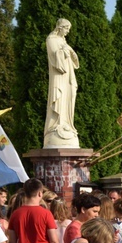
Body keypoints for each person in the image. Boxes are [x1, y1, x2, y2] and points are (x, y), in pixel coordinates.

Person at [44, 18, 79, 148]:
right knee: (58, 98)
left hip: (68, 75)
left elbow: (74, 61)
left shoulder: (63, 41)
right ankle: (56, 125)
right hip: (59, 76)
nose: (68, 32)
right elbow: (55, 58)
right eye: (66, 29)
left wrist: (68, 50)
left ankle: (67, 124)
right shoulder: (51, 39)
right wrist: (65, 50)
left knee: (70, 96)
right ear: (60, 27)